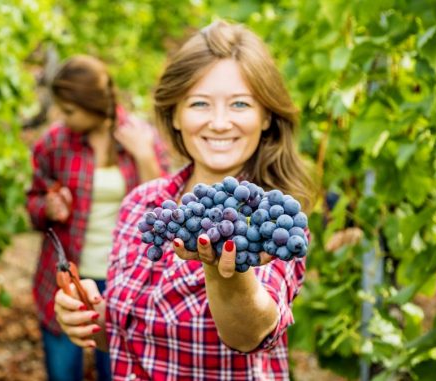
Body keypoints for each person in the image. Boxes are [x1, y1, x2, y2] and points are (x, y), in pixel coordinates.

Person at [54, 20, 313, 380]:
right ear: (175, 114)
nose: (220, 123)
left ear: (266, 115)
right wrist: (89, 321)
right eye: (200, 104)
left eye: (239, 104)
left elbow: (249, 335)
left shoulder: (270, 220)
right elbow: (127, 337)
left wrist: (229, 276)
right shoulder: (142, 204)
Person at [26, 55, 170, 381]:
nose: (63, 117)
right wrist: (47, 208)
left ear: (92, 104)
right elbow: (32, 205)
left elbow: (164, 208)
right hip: (65, 278)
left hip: (124, 280)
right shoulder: (55, 142)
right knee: (63, 373)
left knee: (117, 372)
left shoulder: (141, 138)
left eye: (70, 110)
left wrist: (144, 156)